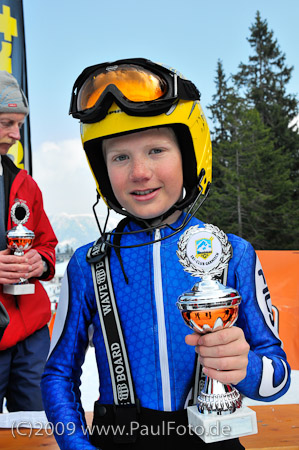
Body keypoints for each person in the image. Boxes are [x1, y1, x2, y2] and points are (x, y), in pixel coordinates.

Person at [41, 58, 290, 449]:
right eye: (120, 157)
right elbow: (58, 374)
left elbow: (278, 378)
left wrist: (245, 368)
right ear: (102, 170)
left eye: (156, 149)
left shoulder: (233, 253)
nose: (139, 172)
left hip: (214, 437)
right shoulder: (88, 265)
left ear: (190, 156)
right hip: (117, 437)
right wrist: (76, 445)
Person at [0, 71, 58, 412]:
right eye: (7, 123)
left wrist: (40, 260)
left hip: (31, 334)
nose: (15, 135)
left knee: (37, 430)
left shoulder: (25, 184)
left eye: (19, 125)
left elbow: (46, 243)